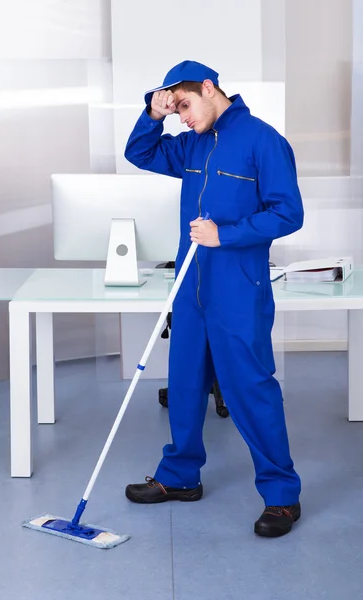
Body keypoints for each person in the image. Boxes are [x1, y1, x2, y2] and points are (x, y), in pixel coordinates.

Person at [124, 60, 304, 538]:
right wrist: (152, 112)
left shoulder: (263, 140)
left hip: (237, 288)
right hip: (190, 287)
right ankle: (180, 477)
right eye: (175, 109)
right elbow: (140, 153)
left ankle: (282, 495)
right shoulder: (190, 142)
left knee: (250, 387)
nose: (183, 116)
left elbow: (289, 214)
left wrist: (227, 235)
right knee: (184, 384)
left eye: (185, 104)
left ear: (209, 87)